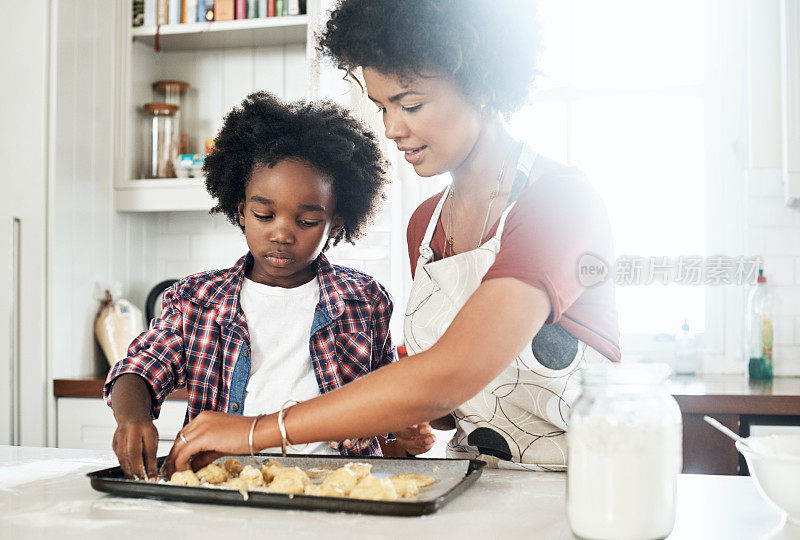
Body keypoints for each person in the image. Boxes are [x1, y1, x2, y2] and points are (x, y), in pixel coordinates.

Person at [167, 0, 620, 474]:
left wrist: (257, 430)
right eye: (382, 107)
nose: (390, 129)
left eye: (411, 104)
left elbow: (452, 372)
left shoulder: (561, 203)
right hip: (476, 483)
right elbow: (456, 401)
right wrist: (408, 419)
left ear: (482, 85)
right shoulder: (425, 224)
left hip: (583, 488)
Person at [105, 91, 415, 480]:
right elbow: (139, 368)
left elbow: (384, 409)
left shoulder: (364, 299)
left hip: (337, 483)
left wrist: (403, 438)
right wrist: (132, 417)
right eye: (264, 214)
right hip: (226, 481)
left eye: (306, 222)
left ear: (336, 223)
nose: (282, 233)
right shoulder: (196, 300)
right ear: (240, 210)